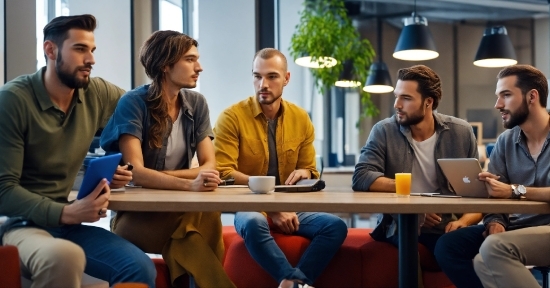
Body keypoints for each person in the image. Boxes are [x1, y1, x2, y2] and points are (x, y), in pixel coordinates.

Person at [0, 14, 155, 287]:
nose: (91, 60)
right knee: (64, 255)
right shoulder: (13, 100)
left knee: (139, 267)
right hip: (20, 224)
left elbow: (141, 113)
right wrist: (66, 213)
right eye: (80, 49)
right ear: (50, 50)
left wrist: (123, 166)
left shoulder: (96, 93)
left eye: (92, 50)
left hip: (69, 224)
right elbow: (4, 190)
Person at [100, 30, 235, 288]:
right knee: (204, 219)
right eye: (190, 59)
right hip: (137, 218)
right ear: (165, 65)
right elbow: (136, 171)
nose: (200, 67)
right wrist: (189, 183)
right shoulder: (134, 102)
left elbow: (209, 166)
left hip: (179, 211)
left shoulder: (197, 104)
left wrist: (158, 178)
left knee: (201, 220)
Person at [213, 48, 348, 288]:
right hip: (250, 207)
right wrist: (269, 206)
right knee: (254, 223)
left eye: (272, 76)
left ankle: (293, 282)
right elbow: (224, 172)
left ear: (286, 78)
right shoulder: (231, 118)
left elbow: (310, 169)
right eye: (257, 76)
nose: (263, 84)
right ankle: (292, 280)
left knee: (335, 226)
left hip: (291, 207)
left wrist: (306, 173)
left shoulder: (301, 118)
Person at [352, 65, 482, 283]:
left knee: (472, 247)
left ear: (428, 102)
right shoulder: (384, 131)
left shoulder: (461, 132)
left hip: (448, 223)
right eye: (396, 96)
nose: (397, 105)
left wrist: (465, 221)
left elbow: (476, 194)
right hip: (399, 221)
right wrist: (416, 201)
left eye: (406, 98)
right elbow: (362, 176)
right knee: (408, 241)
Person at [435, 64, 550, 288]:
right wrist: (495, 221)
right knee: (450, 247)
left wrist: (515, 190)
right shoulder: (506, 141)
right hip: (517, 227)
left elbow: (508, 190)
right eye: (498, 96)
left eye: (506, 95)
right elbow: (494, 194)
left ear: (532, 96)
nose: (498, 105)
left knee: (492, 249)